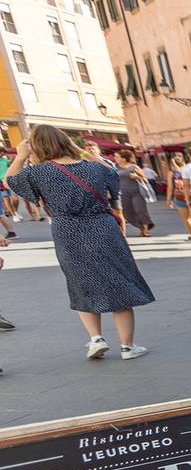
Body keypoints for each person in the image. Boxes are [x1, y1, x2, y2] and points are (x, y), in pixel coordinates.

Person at [4, 124, 153, 360]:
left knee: (81, 282)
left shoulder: (39, 172)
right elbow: (113, 176)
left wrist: (21, 155)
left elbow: (10, 180)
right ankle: (127, 346)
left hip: (67, 230)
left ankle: (96, 339)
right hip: (103, 227)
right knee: (119, 281)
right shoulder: (94, 167)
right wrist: (81, 151)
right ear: (67, 143)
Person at [113, 150, 153, 237]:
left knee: (140, 210)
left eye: (117, 157)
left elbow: (145, 180)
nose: (115, 158)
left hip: (137, 192)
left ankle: (146, 229)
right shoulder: (114, 167)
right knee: (128, 213)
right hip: (123, 194)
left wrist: (137, 177)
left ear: (123, 158)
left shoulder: (133, 167)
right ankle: (141, 228)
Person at [166, 155, 191, 241]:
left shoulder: (171, 173)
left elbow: (170, 188)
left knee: (186, 218)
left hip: (179, 196)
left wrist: (168, 199)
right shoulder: (188, 170)